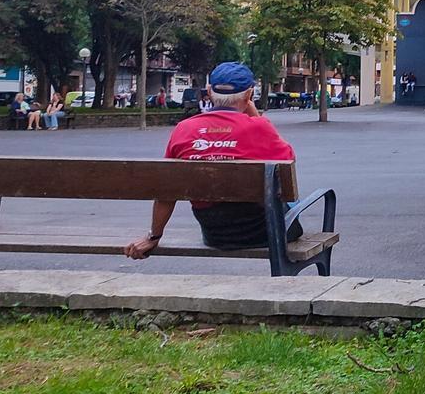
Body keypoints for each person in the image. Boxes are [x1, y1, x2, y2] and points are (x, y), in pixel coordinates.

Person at [124, 62, 302, 259]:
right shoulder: (260, 128)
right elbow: (288, 163)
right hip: (265, 231)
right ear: (249, 94)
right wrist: (256, 116)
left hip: (215, 233)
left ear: (209, 91)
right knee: (293, 200)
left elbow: (167, 191)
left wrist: (154, 236)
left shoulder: (184, 129)